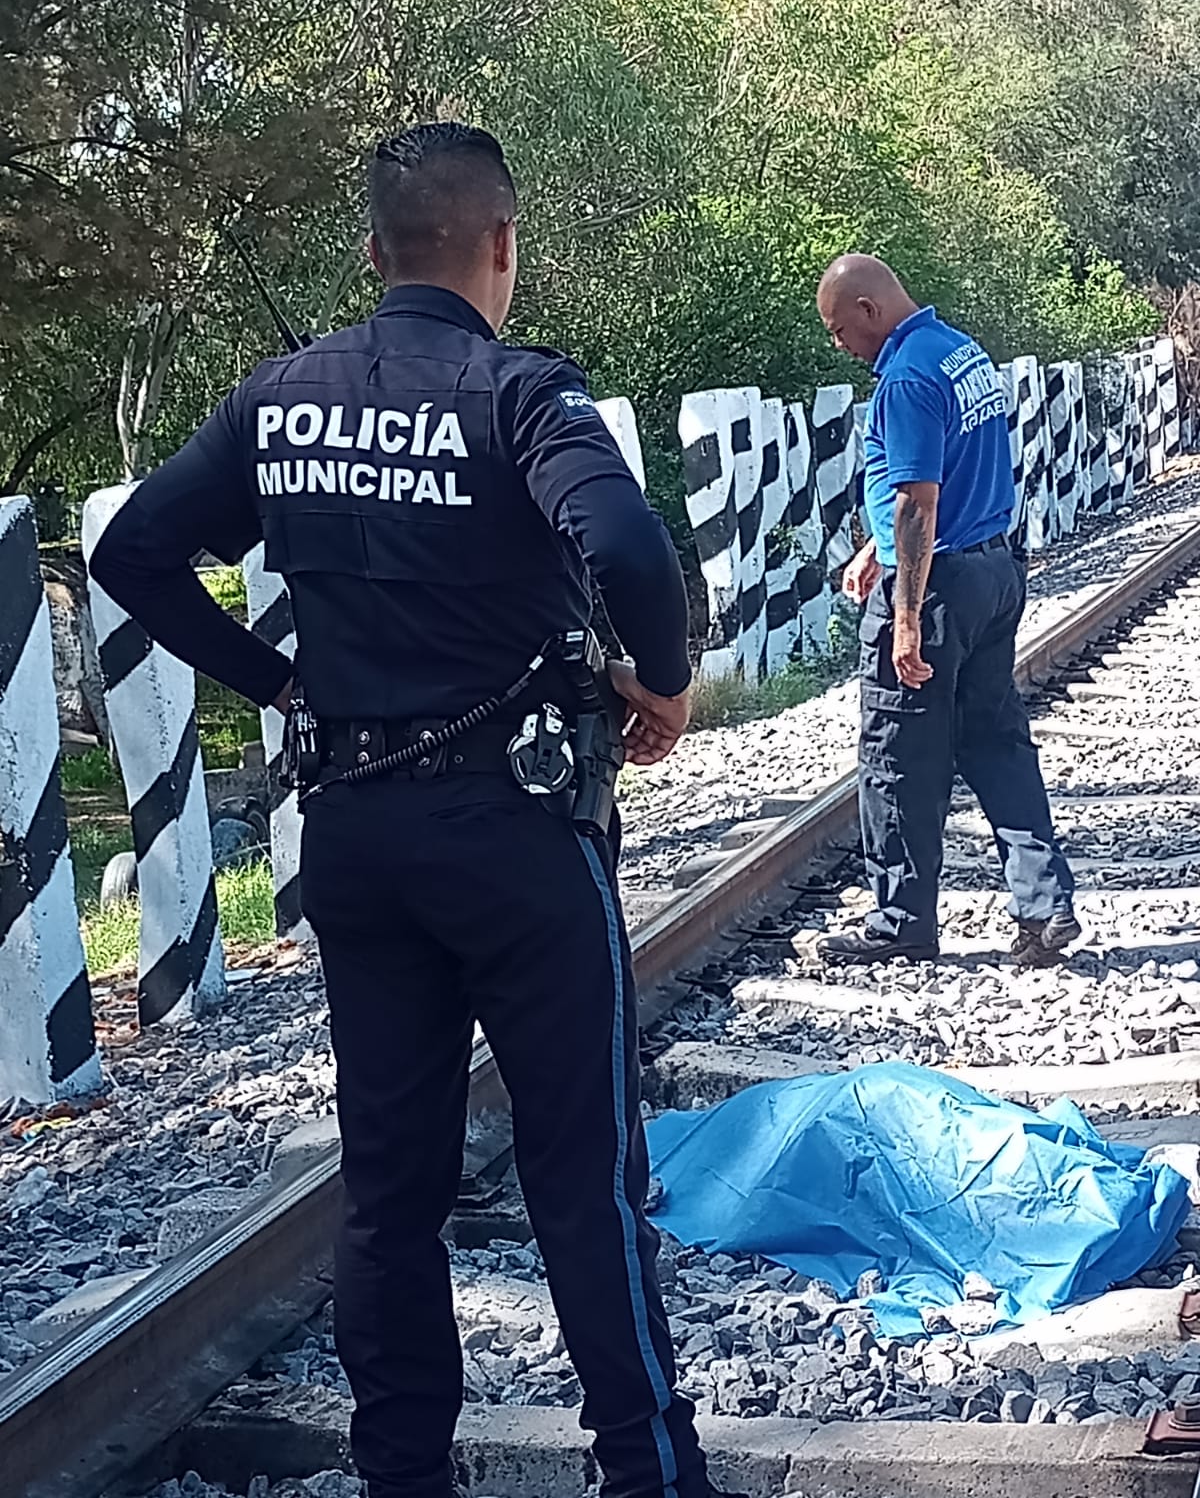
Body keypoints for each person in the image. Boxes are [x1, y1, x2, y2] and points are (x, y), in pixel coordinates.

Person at [89, 124, 744, 1498]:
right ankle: (645, 1471)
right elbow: (627, 547)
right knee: (583, 1171)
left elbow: (132, 552)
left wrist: (275, 680)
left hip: (360, 840)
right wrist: (665, 687)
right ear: (501, 245)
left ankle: (404, 1473)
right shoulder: (518, 394)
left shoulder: (280, 399)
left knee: (391, 1182)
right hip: (514, 839)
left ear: (375, 252)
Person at [813, 253, 1078, 968]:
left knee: (898, 756)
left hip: (936, 587)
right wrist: (877, 543)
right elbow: (944, 473)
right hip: (994, 568)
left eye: (841, 329)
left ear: (869, 310)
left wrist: (903, 616)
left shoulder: (904, 377)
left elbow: (918, 499)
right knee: (995, 741)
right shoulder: (960, 351)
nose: (841, 344)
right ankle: (1044, 904)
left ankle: (901, 920)